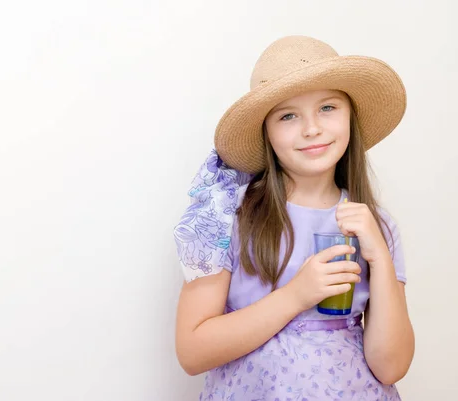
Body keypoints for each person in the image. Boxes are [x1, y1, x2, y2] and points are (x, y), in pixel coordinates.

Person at [173, 35, 414, 400]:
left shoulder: (374, 227)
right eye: (288, 115)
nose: (311, 128)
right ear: (266, 133)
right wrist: (297, 295)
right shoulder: (227, 218)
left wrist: (379, 256)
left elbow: (391, 366)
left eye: (328, 108)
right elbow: (192, 353)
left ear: (351, 115)